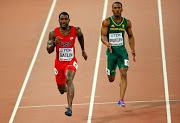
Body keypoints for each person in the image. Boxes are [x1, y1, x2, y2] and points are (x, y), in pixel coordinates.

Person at [46, 12, 87, 116]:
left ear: (69, 20)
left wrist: (83, 50)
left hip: (71, 61)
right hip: (59, 64)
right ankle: (67, 89)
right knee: (61, 90)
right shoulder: (53, 33)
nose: (63, 21)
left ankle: (69, 107)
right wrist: (55, 43)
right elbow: (49, 50)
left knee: (69, 79)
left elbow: (81, 37)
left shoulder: (76, 30)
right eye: (62, 19)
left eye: (65, 19)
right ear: (59, 21)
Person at [101, 2, 136, 107]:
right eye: (115, 8)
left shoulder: (126, 23)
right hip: (111, 54)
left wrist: (132, 50)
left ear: (121, 10)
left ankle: (121, 99)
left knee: (123, 72)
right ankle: (119, 80)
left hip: (122, 53)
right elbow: (102, 36)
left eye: (118, 8)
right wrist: (107, 43)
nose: (117, 9)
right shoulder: (107, 22)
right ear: (112, 10)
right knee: (111, 79)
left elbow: (130, 36)